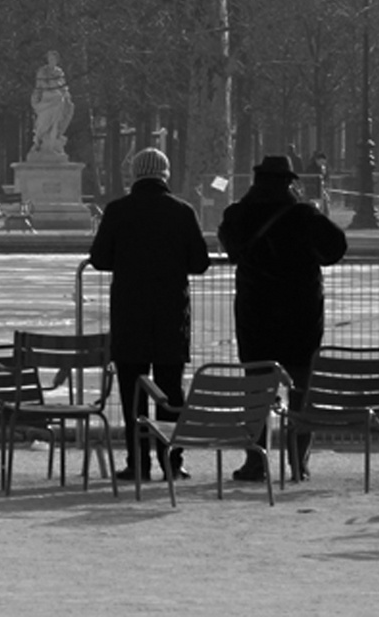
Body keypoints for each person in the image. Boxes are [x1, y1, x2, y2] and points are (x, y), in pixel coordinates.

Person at [219, 154, 348, 482]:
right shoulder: (304, 215)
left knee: (255, 389)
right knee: (302, 388)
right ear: (289, 182)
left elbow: (229, 243)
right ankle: (297, 460)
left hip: (256, 312)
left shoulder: (240, 214)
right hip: (300, 313)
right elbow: (335, 248)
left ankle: (255, 459)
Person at [88, 147, 211, 482]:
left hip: (130, 312)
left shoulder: (117, 211)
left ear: (135, 174)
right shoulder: (182, 212)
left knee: (133, 392)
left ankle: (137, 461)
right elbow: (199, 262)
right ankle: (172, 460)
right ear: (165, 174)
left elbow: (100, 258)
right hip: (171, 312)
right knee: (171, 391)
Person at [29, 50, 74, 158]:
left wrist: (67, 96)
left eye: (54, 59)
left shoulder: (59, 72)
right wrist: (35, 98)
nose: (52, 61)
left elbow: (63, 87)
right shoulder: (42, 72)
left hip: (57, 100)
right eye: (50, 59)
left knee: (56, 123)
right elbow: (38, 87)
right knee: (43, 122)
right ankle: (39, 141)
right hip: (47, 99)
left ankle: (52, 145)